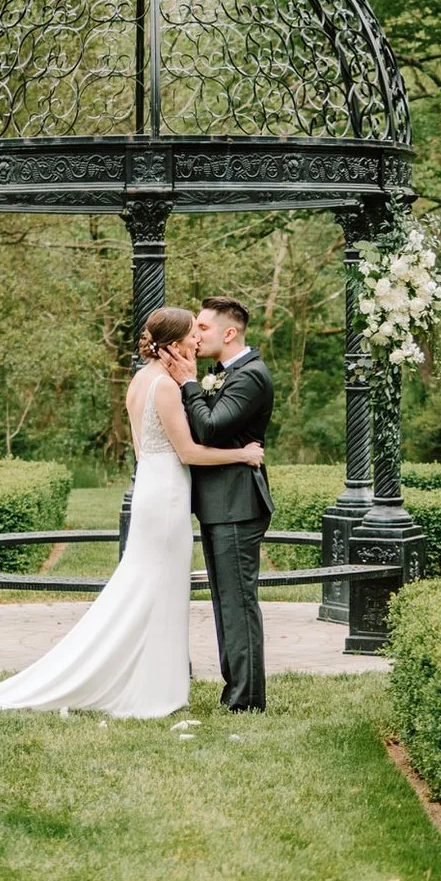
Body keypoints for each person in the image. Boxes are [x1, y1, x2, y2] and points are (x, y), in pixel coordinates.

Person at [0, 307, 264, 732]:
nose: (197, 341)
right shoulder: (166, 388)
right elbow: (190, 452)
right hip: (168, 493)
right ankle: (151, 687)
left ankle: (153, 679)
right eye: (193, 334)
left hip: (153, 485)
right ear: (174, 344)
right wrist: (243, 453)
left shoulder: (140, 381)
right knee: (156, 587)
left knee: (150, 586)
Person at [178, 296, 275, 713]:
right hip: (221, 504)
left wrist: (188, 385)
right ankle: (235, 690)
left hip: (238, 503)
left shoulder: (250, 376)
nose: (195, 335)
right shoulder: (222, 374)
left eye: (202, 328)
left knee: (238, 603)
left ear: (228, 333)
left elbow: (211, 428)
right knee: (225, 602)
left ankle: (246, 700)